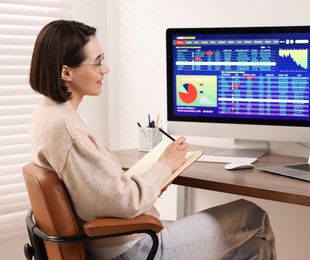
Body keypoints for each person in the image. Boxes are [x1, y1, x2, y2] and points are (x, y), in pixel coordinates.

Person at [29, 19, 276, 260]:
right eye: (97, 63)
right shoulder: (66, 128)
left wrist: (154, 179)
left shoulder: (48, 114)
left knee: (253, 245)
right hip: (130, 249)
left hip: (114, 240)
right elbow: (123, 202)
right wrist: (163, 167)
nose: (105, 69)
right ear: (66, 72)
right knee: (252, 216)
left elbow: (97, 191)